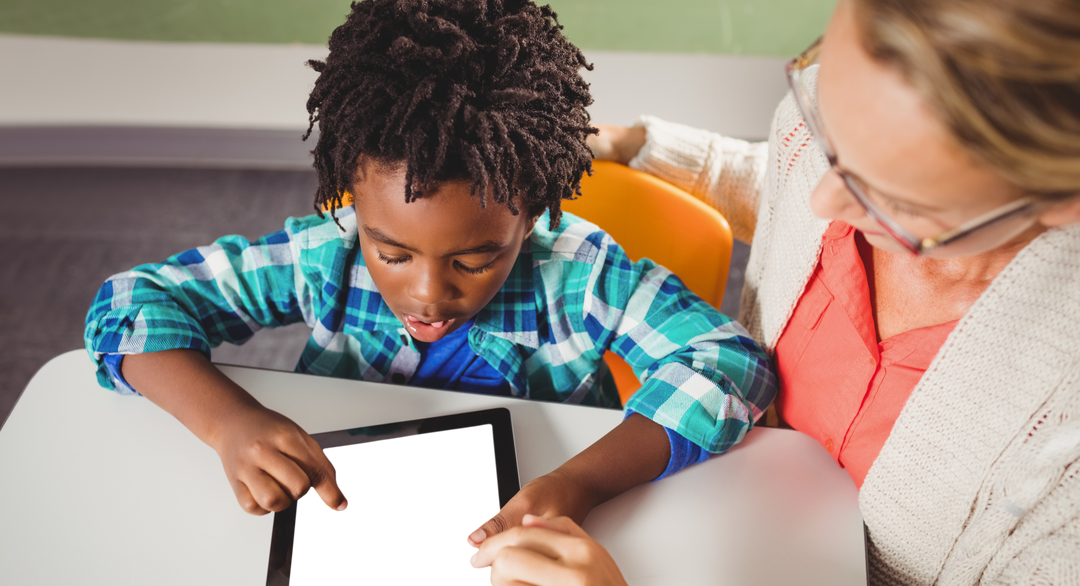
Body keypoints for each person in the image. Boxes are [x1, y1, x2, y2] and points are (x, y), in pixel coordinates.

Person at [468, 0, 1080, 586]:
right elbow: (795, 180)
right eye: (825, 114)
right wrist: (641, 145)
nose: (824, 195)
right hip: (715, 534)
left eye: (890, 201)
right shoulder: (823, 156)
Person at [82, 0, 775, 523]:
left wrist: (577, 485)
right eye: (391, 251)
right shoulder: (326, 256)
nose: (426, 293)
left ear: (531, 216)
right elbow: (132, 303)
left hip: (539, 521)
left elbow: (729, 364)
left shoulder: (582, 275)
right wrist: (228, 422)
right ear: (351, 196)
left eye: (475, 260)